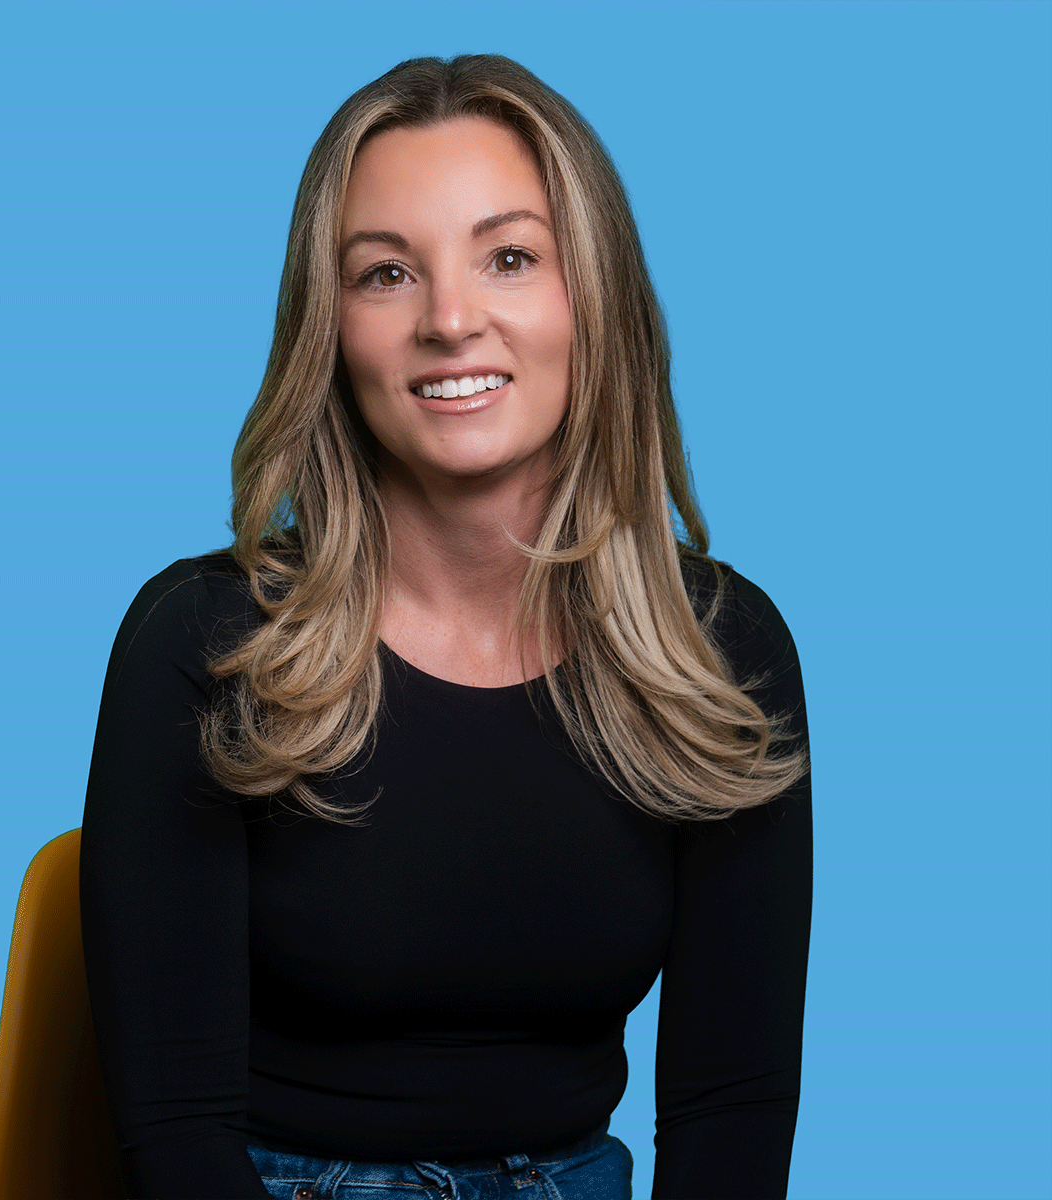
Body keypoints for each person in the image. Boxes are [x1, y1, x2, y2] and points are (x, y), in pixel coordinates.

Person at [80, 54, 812, 1200]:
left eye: (509, 257)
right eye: (385, 274)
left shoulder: (723, 653)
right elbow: (175, 1132)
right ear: (331, 329)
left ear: (593, 298)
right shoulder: (203, 643)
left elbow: (735, 1105)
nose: (450, 319)